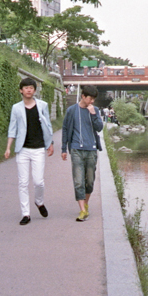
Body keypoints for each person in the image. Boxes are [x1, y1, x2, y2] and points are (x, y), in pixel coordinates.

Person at [5, 78, 54, 225]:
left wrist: (50, 143)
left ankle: (39, 202)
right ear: (21, 90)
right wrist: (8, 147)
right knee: (23, 182)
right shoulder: (16, 108)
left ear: (34, 90)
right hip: (23, 149)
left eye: (31, 87)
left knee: (39, 182)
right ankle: (25, 214)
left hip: (38, 148)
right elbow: (12, 128)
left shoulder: (42, 105)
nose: (28, 90)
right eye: (25, 88)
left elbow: (48, 125)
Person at [61, 85, 103, 222]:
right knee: (79, 181)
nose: (92, 101)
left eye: (93, 99)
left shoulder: (95, 110)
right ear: (83, 96)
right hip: (76, 149)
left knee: (89, 181)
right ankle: (82, 210)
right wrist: (63, 149)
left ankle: (85, 203)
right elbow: (66, 129)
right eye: (90, 98)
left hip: (91, 149)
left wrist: (93, 114)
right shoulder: (72, 110)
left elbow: (99, 128)